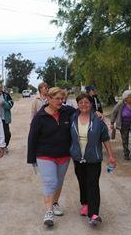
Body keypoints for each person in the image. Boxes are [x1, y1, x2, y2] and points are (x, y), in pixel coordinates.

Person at [27, 87, 77, 227]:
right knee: (50, 181)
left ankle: (55, 203)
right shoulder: (40, 117)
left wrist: (96, 113)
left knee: (59, 182)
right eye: (58, 99)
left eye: (63, 99)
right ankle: (48, 212)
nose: (61, 101)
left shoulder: (68, 112)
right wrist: (31, 159)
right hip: (45, 155)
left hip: (64, 155)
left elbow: (82, 113)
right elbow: (32, 138)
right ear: (49, 99)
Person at [70, 93, 116, 226]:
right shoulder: (72, 117)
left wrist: (111, 156)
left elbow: (105, 139)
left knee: (93, 184)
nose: (84, 105)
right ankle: (84, 204)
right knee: (82, 182)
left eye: (86, 102)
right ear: (77, 105)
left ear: (91, 104)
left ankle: (94, 213)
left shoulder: (97, 119)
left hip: (93, 157)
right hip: (78, 157)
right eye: (81, 103)